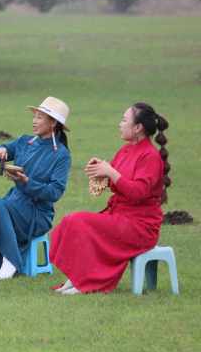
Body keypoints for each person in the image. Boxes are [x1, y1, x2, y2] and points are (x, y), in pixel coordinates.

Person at [50, 103, 171, 294]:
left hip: (140, 226)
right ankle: (78, 277)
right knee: (72, 220)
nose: (120, 124)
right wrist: (100, 171)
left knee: (78, 221)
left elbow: (138, 192)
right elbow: (116, 182)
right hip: (120, 216)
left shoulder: (150, 156)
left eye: (124, 120)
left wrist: (111, 172)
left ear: (138, 127)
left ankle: (88, 281)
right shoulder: (125, 150)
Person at [0, 97, 72, 279]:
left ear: (53, 123)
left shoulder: (61, 155)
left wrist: (27, 182)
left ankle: (10, 261)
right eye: (34, 116)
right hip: (14, 203)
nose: (34, 121)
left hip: (37, 213)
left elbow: (54, 192)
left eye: (40, 117)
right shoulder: (25, 142)